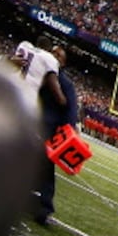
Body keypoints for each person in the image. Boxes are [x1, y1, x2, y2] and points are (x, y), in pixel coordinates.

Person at [10, 41, 68, 224]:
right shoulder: (48, 60)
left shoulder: (26, 47)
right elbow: (53, 84)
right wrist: (63, 101)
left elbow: (8, 62)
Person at [34, 43, 80, 224]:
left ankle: (44, 208)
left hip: (49, 130)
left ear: (63, 62)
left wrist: (69, 130)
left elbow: (70, 109)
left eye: (59, 55)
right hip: (32, 123)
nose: (54, 56)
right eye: (52, 52)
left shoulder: (65, 83)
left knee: (45, 169)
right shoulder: (39, 74)